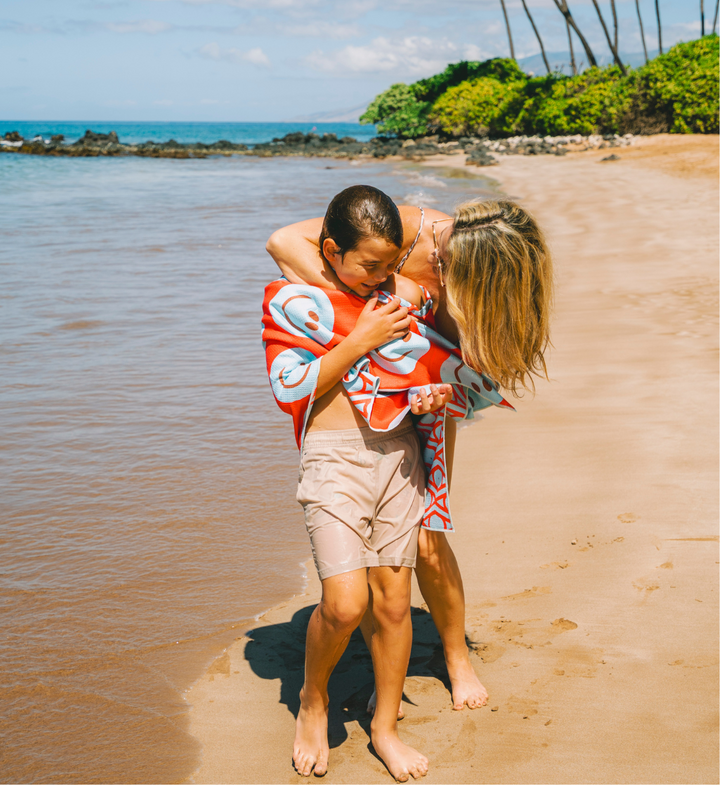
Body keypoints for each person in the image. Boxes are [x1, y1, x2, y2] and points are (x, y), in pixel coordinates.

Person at [266, 195, 553, 716]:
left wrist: (435, 382)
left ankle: (456, 654)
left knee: (426, 536)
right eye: (448, 254)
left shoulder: (479, 272)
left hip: (433, 390)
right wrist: (369, 321)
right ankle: (386, 668)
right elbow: (283, 243)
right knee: (382, 554)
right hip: (372, 383)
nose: (444, 264)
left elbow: (471, 352)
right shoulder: (402, 229)